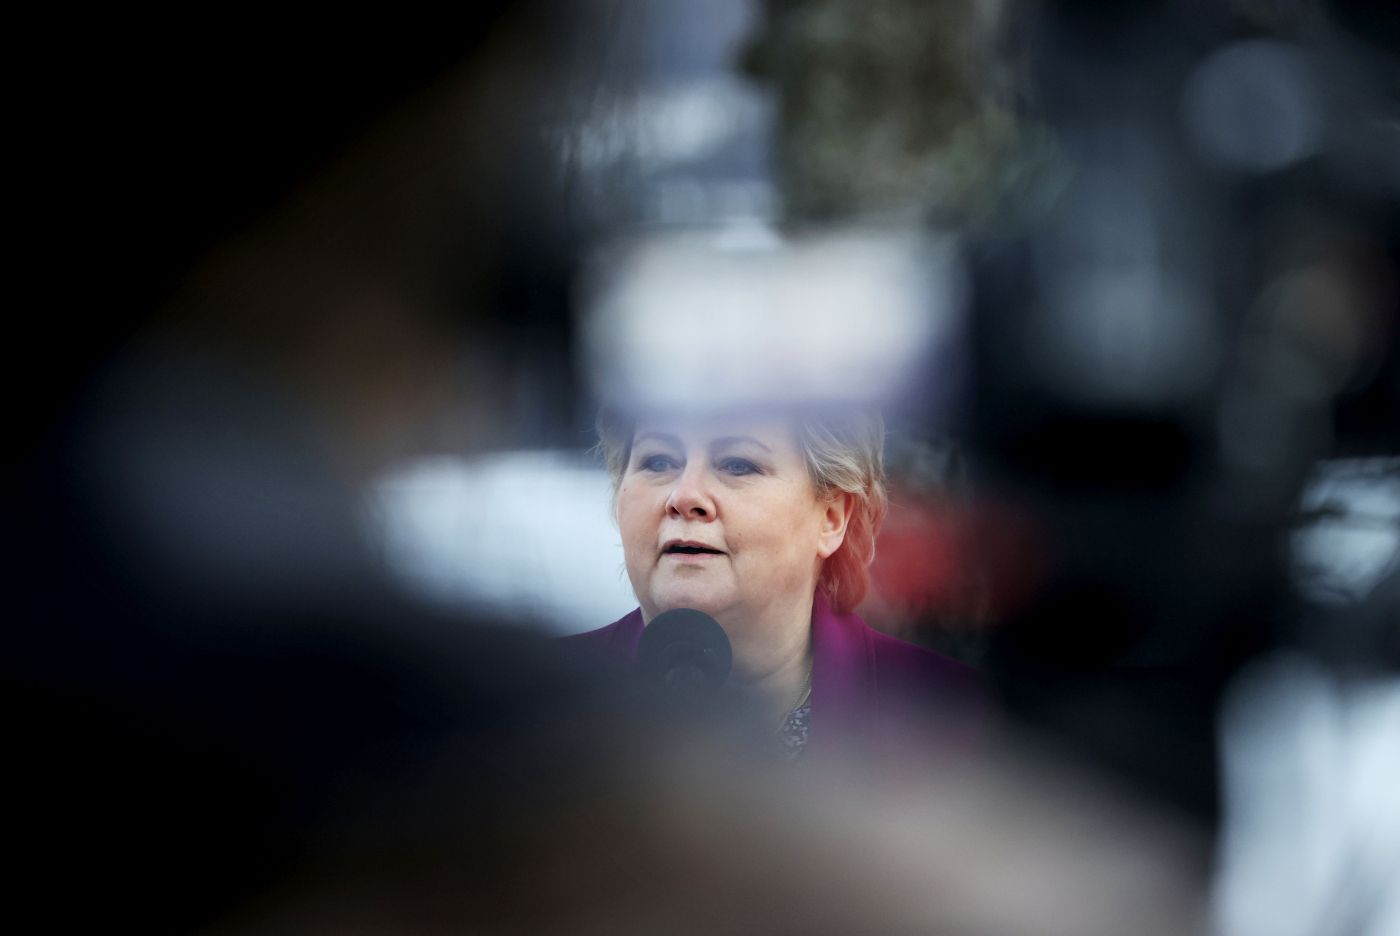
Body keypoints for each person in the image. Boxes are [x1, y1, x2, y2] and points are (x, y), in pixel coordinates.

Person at [570, 404, 978, 760]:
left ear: (832, 518)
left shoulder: (951, 717)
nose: (684, 496)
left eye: (737, 464)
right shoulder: (538, 709)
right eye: (658, 461)